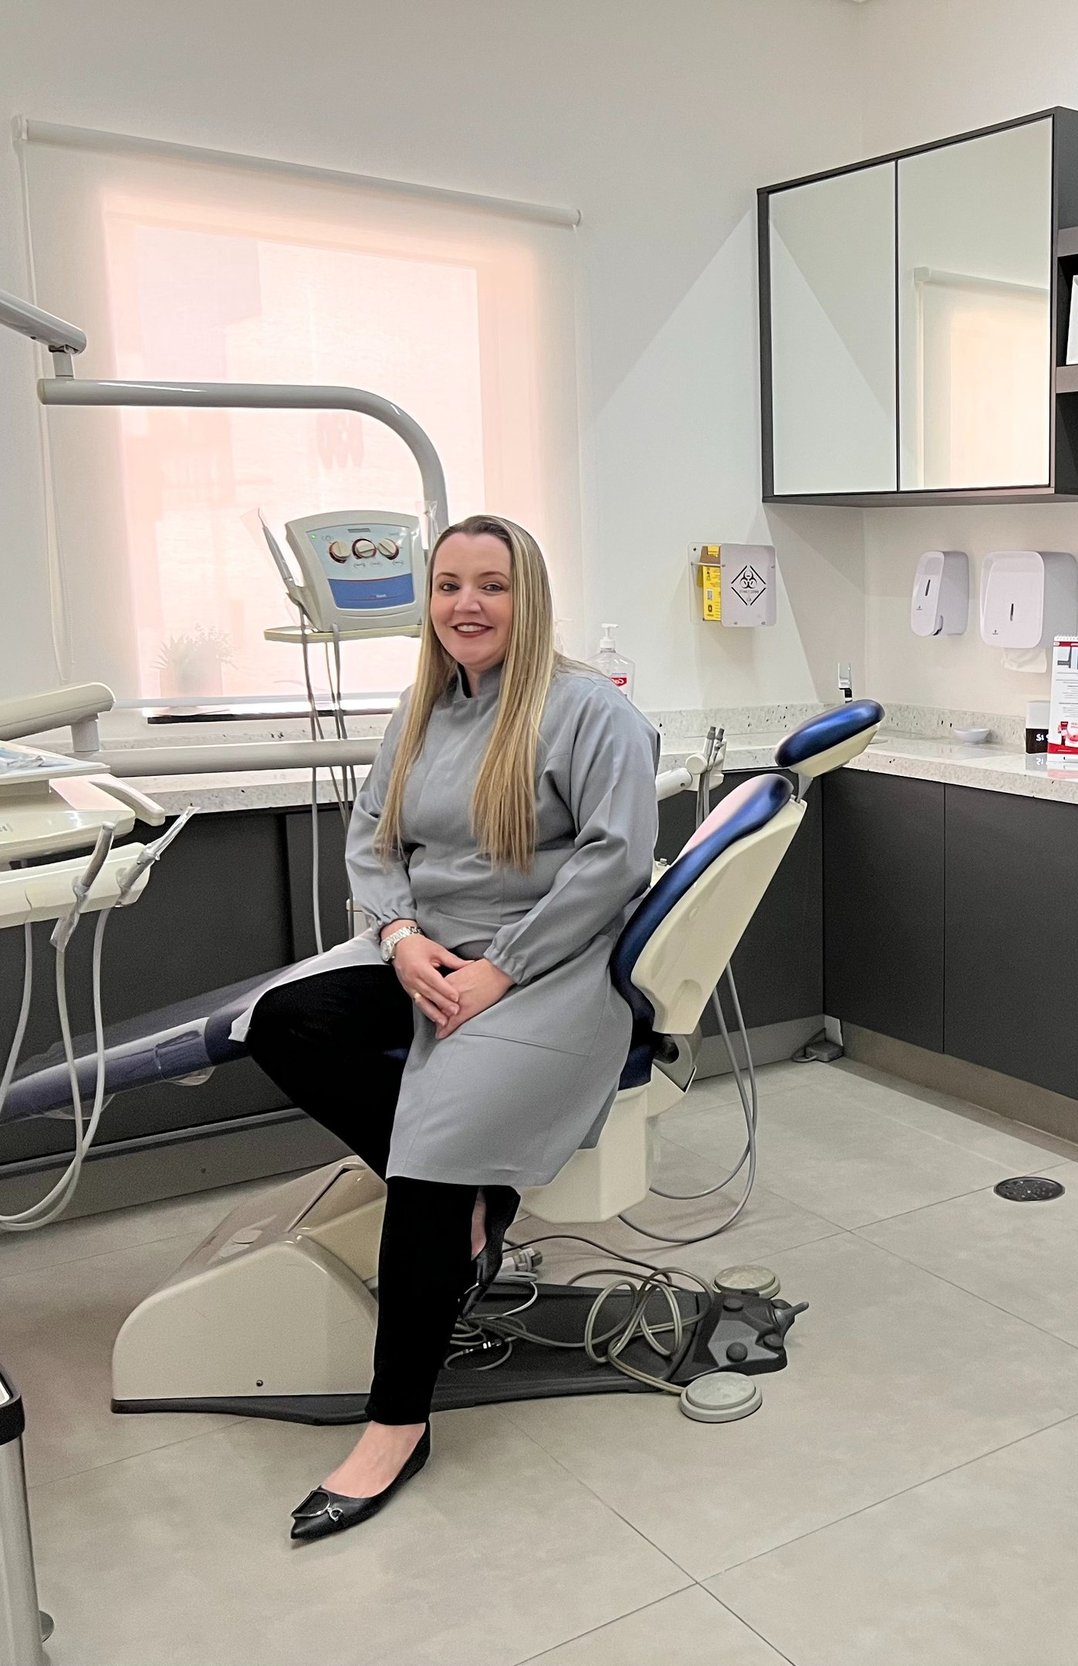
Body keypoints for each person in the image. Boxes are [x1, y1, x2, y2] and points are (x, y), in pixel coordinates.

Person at [242, 513, 660, 1542]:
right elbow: (372, 834)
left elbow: (614, 859)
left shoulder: (588, 712)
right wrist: (397, 937)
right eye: (449, 585)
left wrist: (501, 968)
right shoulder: (423, 708)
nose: (467, 604)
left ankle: (397, 1425)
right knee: (285, 1023)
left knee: (430, 1158)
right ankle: (476, 1196)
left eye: (492, 585)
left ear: (529, 598)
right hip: (428, 952)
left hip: (547, 968)